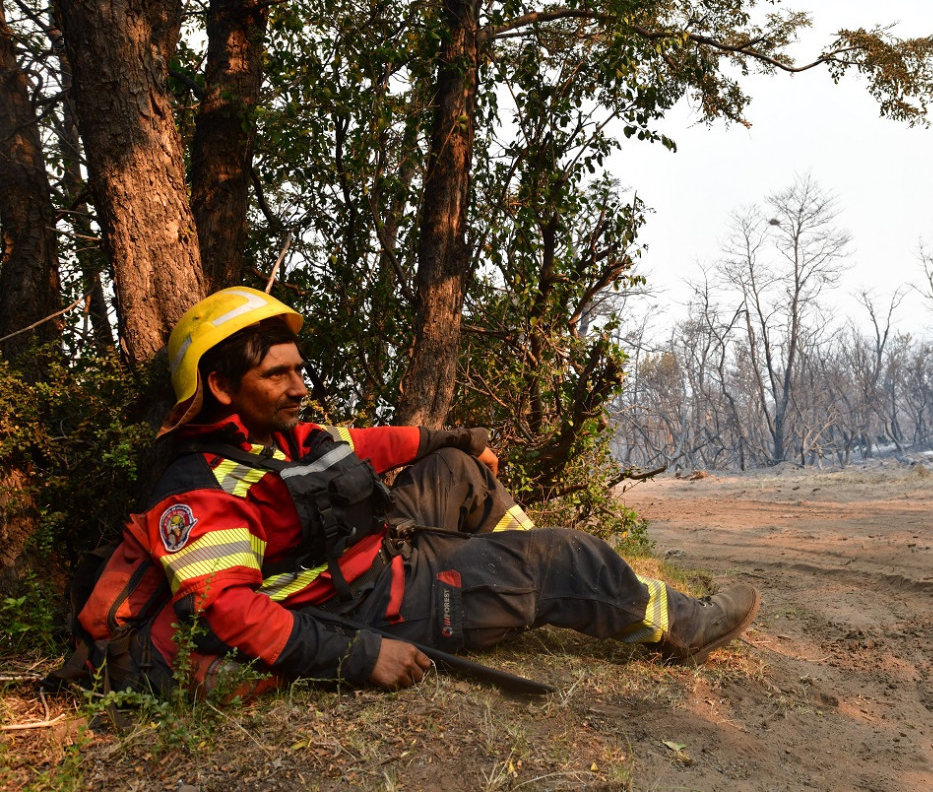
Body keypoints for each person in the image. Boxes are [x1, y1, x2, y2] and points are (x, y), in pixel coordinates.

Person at [76, 286, 759, 692]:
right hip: (373, 608)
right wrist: (363, 655)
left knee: (459, 474)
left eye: (297, 369)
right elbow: (231, 613)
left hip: (374, 557)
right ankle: (677, 624)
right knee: (564, 555)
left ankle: (523, 583)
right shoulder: (199, 490)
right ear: (221, 386)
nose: (297, 386)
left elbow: (366, 444)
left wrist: (455, 437)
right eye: (276, 375)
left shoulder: (275, 436)